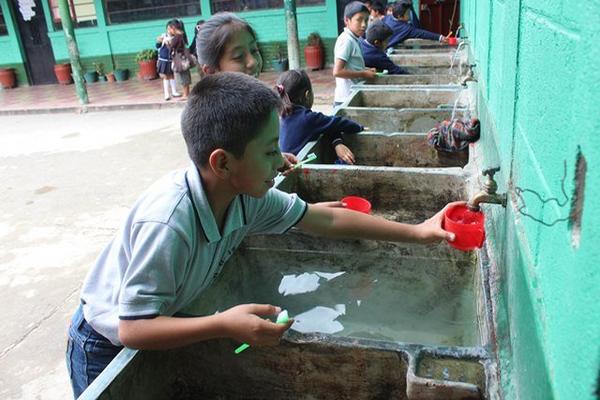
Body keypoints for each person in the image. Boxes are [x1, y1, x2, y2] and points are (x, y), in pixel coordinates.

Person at [66, 72, 460, 397]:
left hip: (156, 321)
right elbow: (132, 329)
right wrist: (223, 324)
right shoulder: (170, 223)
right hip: (103, 345)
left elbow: (327, 222)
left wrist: (419, 231)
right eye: (271, 151)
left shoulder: (244, 196)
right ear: (222, 162)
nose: (283, 161)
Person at [195, 12, 297, 170]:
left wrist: (271, 156)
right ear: (211, 71)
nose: (253, 62)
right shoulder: (215, 122)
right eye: (238, 56)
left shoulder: (253, 105)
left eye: (254, 50)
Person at [276, 69, 361, 164]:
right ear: (307, 95)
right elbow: (337, 122)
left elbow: (327, 125)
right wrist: (359, 127)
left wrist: (337, 142)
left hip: (288, 167)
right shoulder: (309, 118)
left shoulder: (282, 117)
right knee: (344, 162)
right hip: (300, 168)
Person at [333, 1, 377, 107]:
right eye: (359, 20)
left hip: (351, 96)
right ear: (347, 20)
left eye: (366, 20)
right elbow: (337, 71)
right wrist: (363, 74)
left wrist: (365, 69)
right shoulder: (346, 40)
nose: (364, 25)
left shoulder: (354, 39)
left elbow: (351, 65)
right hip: (345, 99)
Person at [383, 2, 448, 48]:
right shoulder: (406, 29)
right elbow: (422, 33)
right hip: (384, 53)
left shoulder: (387, 18)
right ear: (400, 16)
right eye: (407, 13)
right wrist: (439, 37)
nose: (409, 15)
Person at [156, 19, 182, 101]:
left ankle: (174, 92)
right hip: (163, 59)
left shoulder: (176, 37)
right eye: (168, 28)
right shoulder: (163, 36)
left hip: (171, 59)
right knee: (166, 76)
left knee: (172, 75)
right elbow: (157, 46)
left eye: (172, 28)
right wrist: (159, 41)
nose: (170, 30)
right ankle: (166, 94)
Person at [169, 19, 192, 99]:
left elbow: (171, 48)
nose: (169, 31)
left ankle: (186, 95)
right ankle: (186, 93)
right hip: (184, 58)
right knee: (185, 75)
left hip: (180, 59)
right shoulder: (182, 35)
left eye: (169, 29)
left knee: (183, 76)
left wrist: (168, 42)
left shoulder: (177, 37)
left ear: (174, 28)